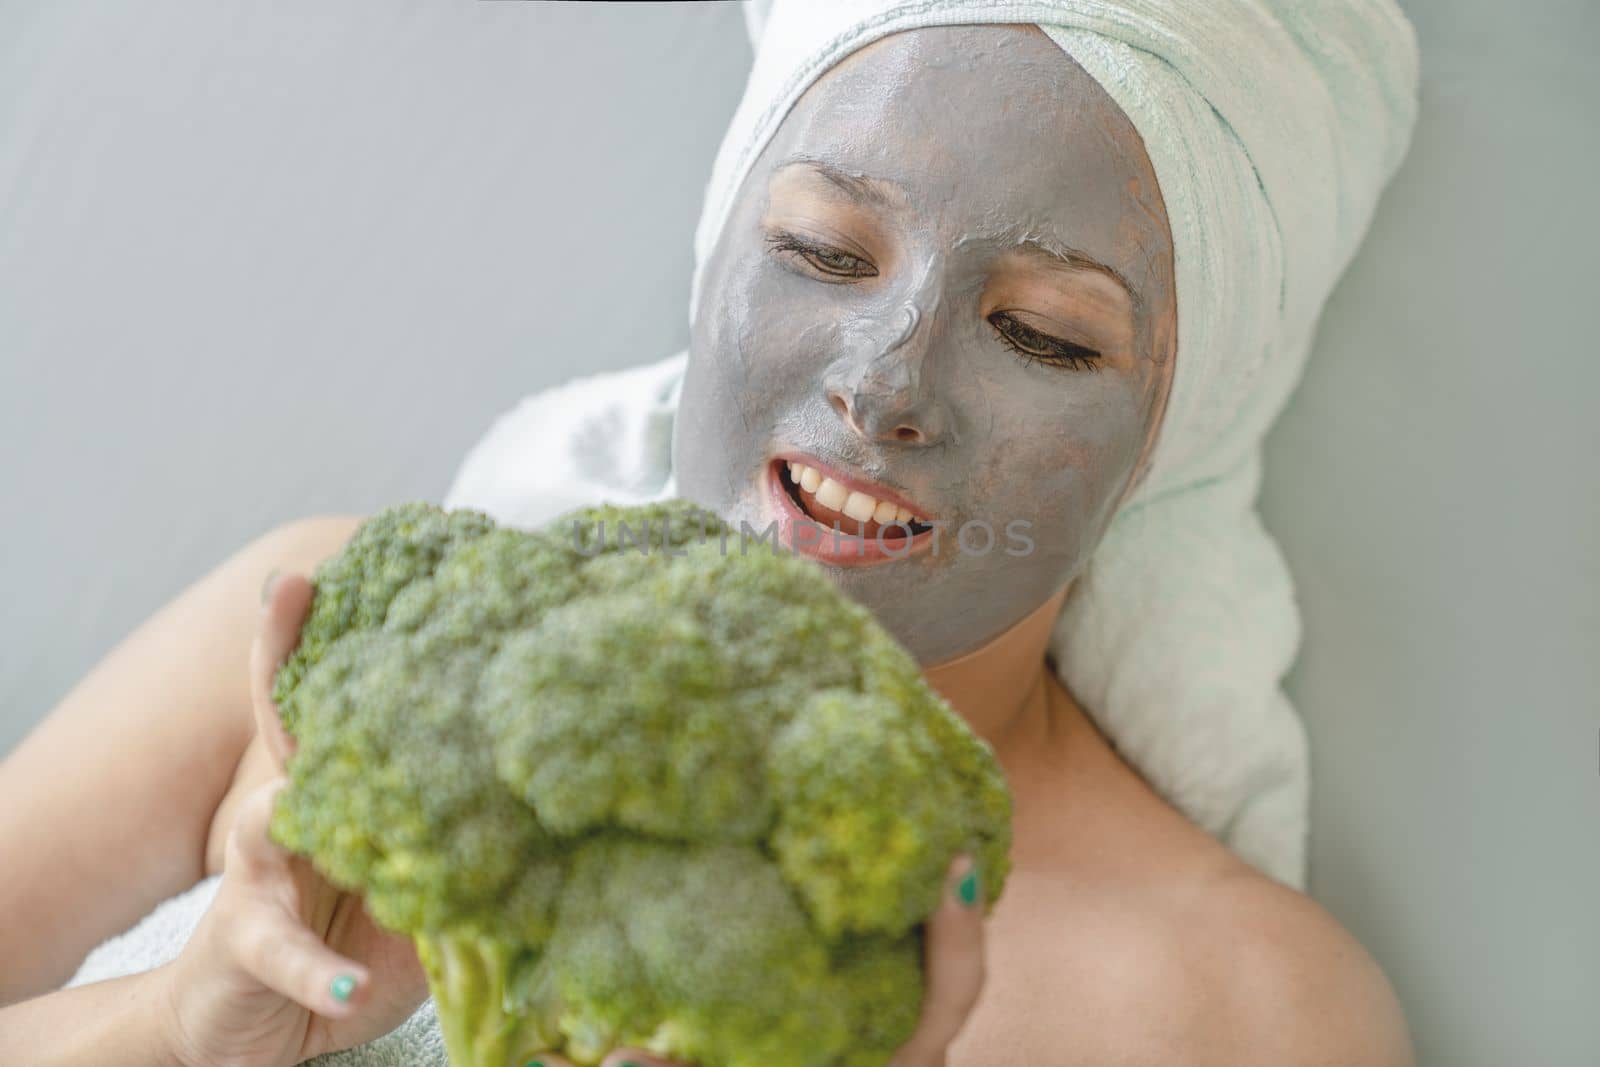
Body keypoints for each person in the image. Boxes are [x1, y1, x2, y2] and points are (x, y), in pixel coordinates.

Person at [0, 5, 1420, 1066]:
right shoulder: (323, 652)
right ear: (716, 254)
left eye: (1044, 334)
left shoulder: (1237, 1006)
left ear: (1174, 432)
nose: (885, 382)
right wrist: (183, 1027)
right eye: (823, 251)